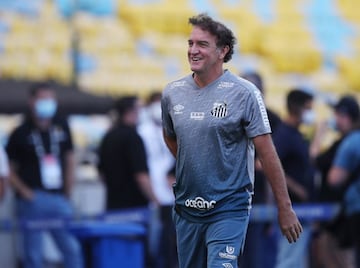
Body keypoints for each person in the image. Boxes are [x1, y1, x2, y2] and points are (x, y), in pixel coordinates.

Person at [161, 13, 302, 268]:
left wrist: (285, 207)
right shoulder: (172, 93)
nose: (193, 50)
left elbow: (267, 153)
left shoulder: (245, 94)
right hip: (187, 206)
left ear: (222, 51)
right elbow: (170, 136)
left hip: (229, 206)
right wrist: (197, 166)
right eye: (190, 43)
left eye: (202, 45)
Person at [5, 82, 83, 268]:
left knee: (72, 248)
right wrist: (25, 192)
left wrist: (68, 190)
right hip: (33, 198)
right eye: (43, 99)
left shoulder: (61, 126)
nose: (48, 103)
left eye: (50, 99)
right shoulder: (20, 132)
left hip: (59, 197)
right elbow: (7, 167)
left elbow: (70, 158)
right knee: (34, 254)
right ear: (32, 101)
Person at [239, 71, 282, 268]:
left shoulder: (272, 119)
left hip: (259, 199)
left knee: (256, 257)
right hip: (229, 200)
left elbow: (271, 162)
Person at [311, 95, 359, 268]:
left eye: (339, 114)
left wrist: (319, 135)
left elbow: (333, 178)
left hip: (344, 216)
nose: (335, 119)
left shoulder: (349, 143)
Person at [272, 89, 316, 268]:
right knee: (289, 260)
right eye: (308, 108)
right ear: (296, 108)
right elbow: (266, 165)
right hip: (291, 208)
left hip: (302, 209)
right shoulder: (283, 135)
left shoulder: (297, 134)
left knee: (297, 261)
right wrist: (295, 188)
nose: (311, 112)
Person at [97, 95, 159, 210]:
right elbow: (141, 176)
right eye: (139, 109)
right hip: (135, 208)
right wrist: (156, 201)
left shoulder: (108, 136)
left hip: (113, 205)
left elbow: (101, 174)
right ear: (130, 111)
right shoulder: (133, 138)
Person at [137, 91, 177, 268]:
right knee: (153, 244)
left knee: (170, 244)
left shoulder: (172, 129)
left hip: (170, 196)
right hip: (151, 196)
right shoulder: (142, 131)